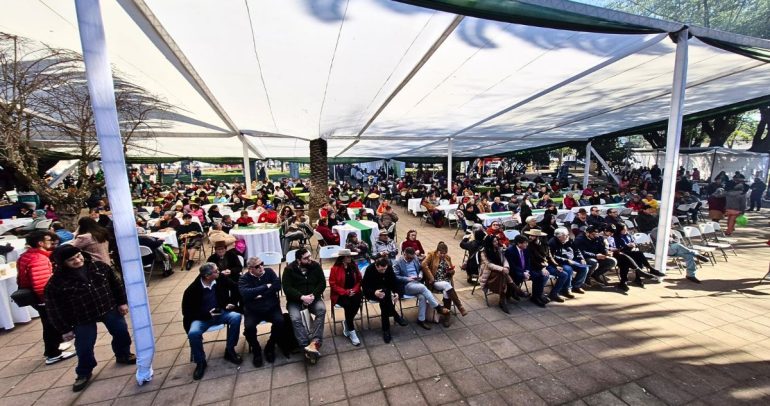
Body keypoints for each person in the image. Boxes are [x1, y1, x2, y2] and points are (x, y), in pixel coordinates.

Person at [45, 246, 135, 392]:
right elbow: (53, 308)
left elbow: (116, 285)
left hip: (108, 307)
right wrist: (64, 329)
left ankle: (123, 354)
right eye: (71, 259)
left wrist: (122, 302)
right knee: (84, 346)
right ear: (62, 263)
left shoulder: (99, 267)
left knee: (121, 332)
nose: (77, 260)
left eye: (78, 256)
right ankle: (84, 372)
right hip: (81, 316)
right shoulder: (56, 283)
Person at [16, 231, 75, 365]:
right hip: (43, 298)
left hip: (36, 298)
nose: (52, 242)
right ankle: (53, 353)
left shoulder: (26, 256)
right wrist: (48, 300)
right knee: (51, 324)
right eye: (48, 240)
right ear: (40, 243)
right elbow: (41, 284)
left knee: (48, 323)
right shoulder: (39, 259)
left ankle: (56, 345)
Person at [182, 262, 243, 380]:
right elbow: (187, 312)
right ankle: (200, 362)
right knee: (193, 333)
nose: (219, 272)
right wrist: (205, 314)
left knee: (236, 317)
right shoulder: (192, 290)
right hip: (201, 318)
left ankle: (230, 350)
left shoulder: (220, 279)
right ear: (207, 276)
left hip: (220, 312)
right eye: (216, 271)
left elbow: (236, 287)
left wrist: (232, 302)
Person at [282, 248, 327, 363]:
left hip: (313, 298)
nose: (309, 259)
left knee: (321, 310)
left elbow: (322, 283)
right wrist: (301, 297)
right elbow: (287, 288)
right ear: (298, 260)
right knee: (295, 319)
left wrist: (313, 295)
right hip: (295, 301)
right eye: (306, 258)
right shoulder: (289, 270)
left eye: (309, 256)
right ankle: (305, 347)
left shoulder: (315, 266)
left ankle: (315, 343)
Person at [239, 256, 285, 367]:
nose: (261, 267)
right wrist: (265, 286)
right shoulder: (244, 279)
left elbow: (278, 285)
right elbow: (245, 293)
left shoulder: (269, 272)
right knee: (249, 328)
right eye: (257, 266)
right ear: (250, 269)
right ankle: (256, 350)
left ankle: (270, 346)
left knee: (280, 322)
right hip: (253, 310)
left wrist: (258, 294)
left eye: (262, 264)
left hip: (271, 307)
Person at [393, 247, 450, 329]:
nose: (410, 260)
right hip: (406, 285)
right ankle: (438, 307)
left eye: (412, 258)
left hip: (416, 283)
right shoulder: (397, 262)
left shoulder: (415, 258)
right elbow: (395, 276)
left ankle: (421, 320)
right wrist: (408, 278)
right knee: (423, 288)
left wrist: (420, 275)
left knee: (422, 297)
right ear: (404, 254)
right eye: (408, 258)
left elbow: (420, 269)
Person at [362, 257, 408, 343]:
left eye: (385, 269)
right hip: (372, 292)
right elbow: (365, 287)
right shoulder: (370, 269)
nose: (384, 271)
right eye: (381, 269)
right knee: (385, 298)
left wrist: (396, 293)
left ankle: (386, 330)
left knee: (384, 301)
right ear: (376, 266)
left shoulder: (388, 268)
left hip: (385, 292)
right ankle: (396, 316)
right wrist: (374, 292)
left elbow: (394, 282)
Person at [421, 242, 466, 327]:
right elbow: (423, 264)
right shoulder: (431, 255)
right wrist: (431, 277)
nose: (442, 255)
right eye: (441, 253)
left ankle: (446, 315)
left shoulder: (448, 258)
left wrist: (451, 271)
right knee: (446, 285)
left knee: (447, 291)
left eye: (444, 253)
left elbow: (452, 270)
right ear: (437, 251)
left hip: (446, 281)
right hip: (436, 281)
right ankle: (460, 306)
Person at [526, 229, 573, 303]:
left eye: (532, 236)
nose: (530, 237)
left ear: (538, 237)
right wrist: (542, 268)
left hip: (546, 265)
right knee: (544, 275)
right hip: (535, 267)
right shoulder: (529, 246)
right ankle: (537, 296)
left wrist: (556, 265)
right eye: (530, 235)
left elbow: (550, 256)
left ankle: (554, 294)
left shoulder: (545, 244)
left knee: (564, 274)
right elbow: (531, 260)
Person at [328, 249, 363, 346]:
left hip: (354, 291)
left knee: (357, 301)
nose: (350, 258)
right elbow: (333, 285)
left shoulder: (353, 266)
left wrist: (354, 290)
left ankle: (347, 322)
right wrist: (346, 292)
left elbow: (359, 280)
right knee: (348, 305)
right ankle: (352, 332)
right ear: (342, 258)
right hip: (340, 294)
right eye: (348, 256)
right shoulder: (334, 269)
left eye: (350, 256)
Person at [478, 235, 518, 313]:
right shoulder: (483, 252)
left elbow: (504, 260)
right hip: (489, 274)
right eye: (494, 241)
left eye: (496, 240)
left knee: (504, 274)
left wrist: (506, 267)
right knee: (502, 274)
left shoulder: (499, 249)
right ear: (489, 243)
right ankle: (515, 290)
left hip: (500, 274)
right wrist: (502, 269)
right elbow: (489, 265)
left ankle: (503, 300)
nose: (496, 242)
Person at [505, 234, 545, 307]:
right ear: (519, 244)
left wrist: (527, 271)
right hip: (514, 272)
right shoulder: (510, 251)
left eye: (527, 242)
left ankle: (536, 296)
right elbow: (512, 266)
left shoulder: (526, 249)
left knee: (540, 276)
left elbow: (528, 262)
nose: (527, 244)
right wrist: (523, 273)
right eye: (525, 243)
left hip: (525, 271)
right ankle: (512, 293)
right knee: (518, 277)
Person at [548, 228, 589, 295]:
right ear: (559, 236)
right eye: (566, 235)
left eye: (567, 235)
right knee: (568, 269)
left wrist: (581, 258)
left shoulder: (568, 240)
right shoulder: (552, 243)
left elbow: (576, 249)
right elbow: (552, 257)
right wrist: (566, 260)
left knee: (584, 268)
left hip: (571, 259)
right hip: (560, 262)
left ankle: (576, 286)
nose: (568, 236)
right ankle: (567, 289)